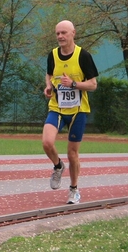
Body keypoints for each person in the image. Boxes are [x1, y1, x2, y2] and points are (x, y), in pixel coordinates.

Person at [42, 20, 99, 204]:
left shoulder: (83, 55)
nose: (60, 36)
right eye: (58, 33)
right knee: (47, 143)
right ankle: (58, 166)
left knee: (72, 154)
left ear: (73, 33)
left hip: (78, 111)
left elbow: (93, 84)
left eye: (64, 33)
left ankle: (74, 189)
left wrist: (73, 84)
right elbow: (49, 74)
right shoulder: (52, 55)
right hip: (57, 108)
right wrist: (48, 86)